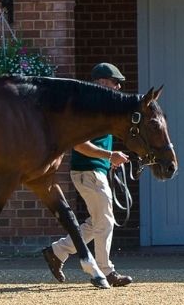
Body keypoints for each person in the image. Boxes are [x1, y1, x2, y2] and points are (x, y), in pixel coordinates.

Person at [39, 62, 133, 287]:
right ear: (101, 82)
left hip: (92, 170)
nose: (118, 87)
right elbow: (79, 143)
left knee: (96, 222)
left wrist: (108, 159)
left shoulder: (99, 107)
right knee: (106, 221)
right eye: (115, 83)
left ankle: (57, 252)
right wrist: (110, 155)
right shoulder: (87, 108)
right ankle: (105, 271)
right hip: (88, 171)